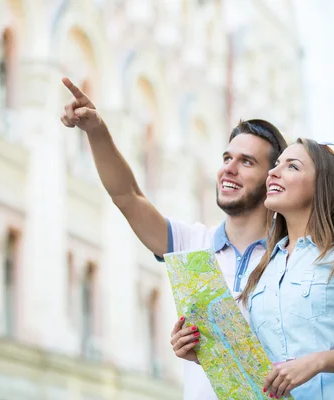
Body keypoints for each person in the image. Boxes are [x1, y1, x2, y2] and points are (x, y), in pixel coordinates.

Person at [59, 77, 288, 400]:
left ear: (272, 178)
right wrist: (96, 131)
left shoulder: (290, 259)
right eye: (226, 158)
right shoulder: (190, 244)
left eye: (246, 162)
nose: (229, 169)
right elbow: (127, 196)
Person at [235, 138, 334, 399]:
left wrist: (316, 362)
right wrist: (203, 349)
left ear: (323, 185)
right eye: (276, 165)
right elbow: (256, 361)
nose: (273, 172)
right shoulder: (262, 268)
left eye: (292, 167)